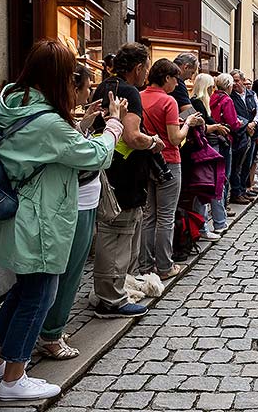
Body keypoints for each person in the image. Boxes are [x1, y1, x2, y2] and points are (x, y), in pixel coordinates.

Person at [0, 40, 124, 400]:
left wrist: (79, 123)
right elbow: (93, 156)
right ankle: (14, 377)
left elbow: (53, 144)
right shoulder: (48, 122)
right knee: (39, 295)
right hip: (40, 219)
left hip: (17, 213)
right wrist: (113, 128)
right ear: (56, 77)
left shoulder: (13, 102)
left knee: (21, 291)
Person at [35, 65, 109, 360]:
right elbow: (88, 155)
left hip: (75, 200)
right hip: (72, 201)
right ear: (72, 87)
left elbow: (71, 145)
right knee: (67, 271)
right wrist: (112, 128)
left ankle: (50, 329)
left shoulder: (58, 119)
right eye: (87, 87)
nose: (90, 92)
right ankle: (50, 335)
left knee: (62, 271)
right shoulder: (54, 121)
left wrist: (86, 124)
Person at [91, 43, 157, 320]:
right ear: (138, 68)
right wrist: (153, 141)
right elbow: (131, 136)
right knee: (117, 235)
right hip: (124, 174)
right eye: (146, 68)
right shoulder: (129, 91)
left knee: (110, 232)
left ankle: (112, 290)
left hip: (107, 170)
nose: (146, 74)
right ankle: (111, 299)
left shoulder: (103, 86)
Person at [140, 59, 202, 280]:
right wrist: (187, 123)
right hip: (168, 161)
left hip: (146, 161)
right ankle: (165, 266)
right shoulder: (168, 101)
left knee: (148, 216)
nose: (178, 84)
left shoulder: (140, 96)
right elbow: (175, 139)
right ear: (166, 78)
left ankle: (145, 265)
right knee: (165, 217)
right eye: (175, 79)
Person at [189, 73, 230, 239]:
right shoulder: (197, 102)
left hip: (206, 147)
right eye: (211, 87)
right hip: (202, 150)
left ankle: (213, 224)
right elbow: (200, 127)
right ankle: (203, 227)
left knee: (211, 185)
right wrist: (216, 127)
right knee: (206, 186)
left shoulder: (201, 102)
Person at [210, 73, 241, 224]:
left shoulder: (213, 96)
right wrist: (239, 123)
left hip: (212, 138)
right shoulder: (227, 99)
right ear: (229, 86)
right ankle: (222, 208)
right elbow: (232, 122)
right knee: (223, 175)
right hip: (223, 139)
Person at [229, 70, 258, 203]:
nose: (234, 84)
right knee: (237, 164)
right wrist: (246, 125)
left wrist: (254, 123)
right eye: (232, 81)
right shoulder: (230, 96)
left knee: (248, 163)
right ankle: (236, 192)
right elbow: (233, 114)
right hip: (239, 133)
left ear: (242, 80)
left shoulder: (251, 94)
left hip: (252, 132)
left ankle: (242, 189)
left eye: (236, 80)